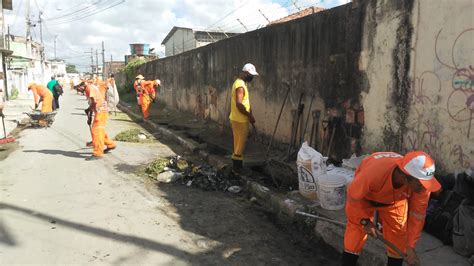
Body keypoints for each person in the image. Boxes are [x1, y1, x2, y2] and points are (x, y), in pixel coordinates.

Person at [342, 151, 442, 266]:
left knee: (398, 238)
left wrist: (410, 246)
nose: (423, 189)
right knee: (355, 234)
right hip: (364, 198)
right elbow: (353, 197)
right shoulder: (372, 174)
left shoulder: (423, 186)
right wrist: (364, 221)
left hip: (395, 201)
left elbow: (417, 215)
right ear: (406, 178)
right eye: (420, 185)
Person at [229, 63, 259, 173]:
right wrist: (249, 115)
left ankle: (236, 166)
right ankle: (237, 168)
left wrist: (250, 111)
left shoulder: (240, 83)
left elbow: (244, 102)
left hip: (237, 118)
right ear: (245, 73)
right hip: (240, 120)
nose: (252, 77)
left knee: (238, 143)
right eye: (251, 75)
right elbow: (239, 104)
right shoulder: (240, 86)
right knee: (240, 143)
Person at [85, 81, 116, 161]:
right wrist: (89, 112)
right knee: (100, 130)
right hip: (101, 111)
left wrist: (88, 109)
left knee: (97, 131)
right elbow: (94, 102)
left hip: (101, 111)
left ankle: (98, 153)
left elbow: (94, 102)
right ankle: (110, 144)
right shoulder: (92, 87)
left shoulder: (89, 88)